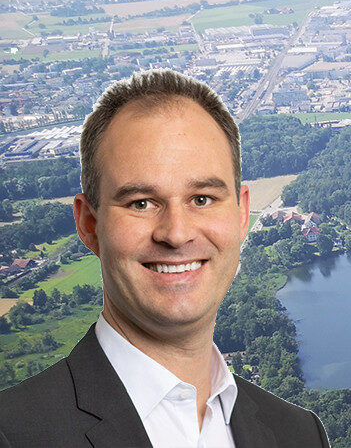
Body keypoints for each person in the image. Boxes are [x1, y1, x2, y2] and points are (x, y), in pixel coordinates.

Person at [0, 70, 328, 447]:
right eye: (141, 203)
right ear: (89, 224)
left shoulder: (300, 434)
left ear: (241, 215)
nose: (175, 233)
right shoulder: (13, 434)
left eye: (202, 199)